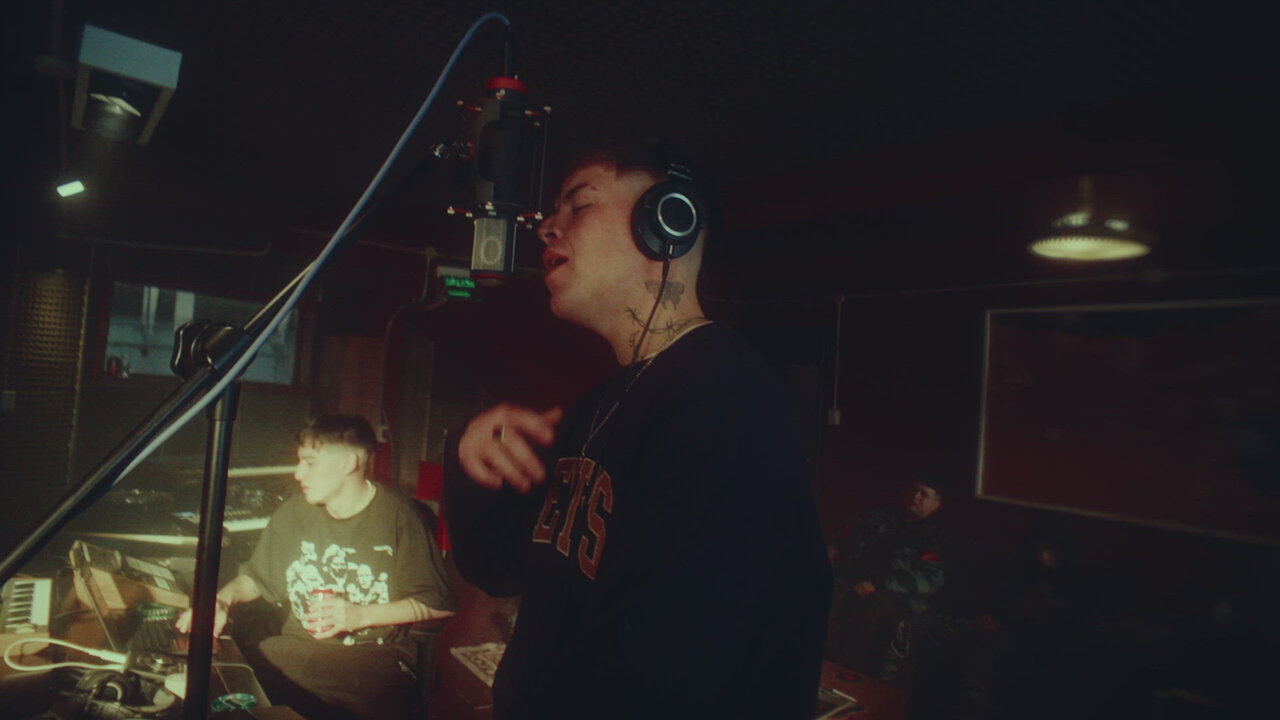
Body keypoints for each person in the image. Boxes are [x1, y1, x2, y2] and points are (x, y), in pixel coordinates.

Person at [445, 141, 832, 719]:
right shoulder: (594, 408)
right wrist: (470, 457)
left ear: (668, 223)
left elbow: (685, 666)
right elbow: (497, 566)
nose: (547, 227)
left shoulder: (726, 401)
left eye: (579, 205)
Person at [176, 414, 456, 720]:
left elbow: (438, 605)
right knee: (225, 686)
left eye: (309, 463)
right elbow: (257, 578)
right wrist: (221, 600)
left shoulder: (400, 517)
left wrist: (359, 615)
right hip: (297, 649)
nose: (298, 473)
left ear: (348, 463)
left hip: (373, 659)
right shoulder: (295, 511)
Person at [826, 476, 947, 676]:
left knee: (866, 612)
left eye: (924, 495)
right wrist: (834, 547)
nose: (916, 496)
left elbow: (930, 580)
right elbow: (848, 535)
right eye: (914, 490)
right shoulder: (883, 517)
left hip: (895, 594)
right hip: (853, 578)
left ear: (936, 505)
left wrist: (880, 583)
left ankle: (849, 676)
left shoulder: (934, 537)